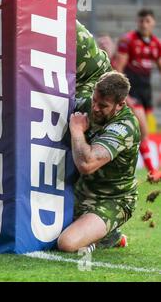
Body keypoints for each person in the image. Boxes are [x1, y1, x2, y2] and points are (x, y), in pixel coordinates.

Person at [57, 71, 140, 252]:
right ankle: (96, 229)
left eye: (103, 105)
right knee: (41, 230)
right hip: (80, 191)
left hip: (112, 199)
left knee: (67, 243)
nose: (95, 108)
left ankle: (110, 237)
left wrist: (77, 131)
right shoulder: (88, 103)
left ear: (120, 105)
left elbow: (87, 164)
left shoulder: (125, 126)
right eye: (94, 100)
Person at [113, 8, 161, 182]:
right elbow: (118, 67)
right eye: (141, 21)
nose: (144, 24)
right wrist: (126, 95)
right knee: (143, 131)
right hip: (132, 91)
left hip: (146, 92)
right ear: (137, 22)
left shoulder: (156, 44)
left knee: (140, 134)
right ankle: (152, 171)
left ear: (153, 22)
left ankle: (126, 170)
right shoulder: (129, 40)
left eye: (147, 21)